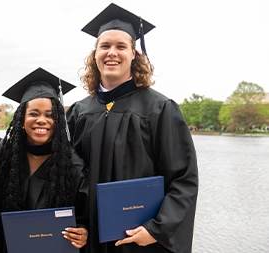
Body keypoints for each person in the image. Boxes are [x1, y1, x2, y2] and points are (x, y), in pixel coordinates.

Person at [66, 3, 199, 253]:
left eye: (121, 46)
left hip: (141, 239)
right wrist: (77, 224)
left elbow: (183, 178)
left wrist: (158, 229)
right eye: (104, 46)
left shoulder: (160, 109)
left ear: (134, 54)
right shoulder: (78, 113)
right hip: (92, 240)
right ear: (95, 54)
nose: (112, 53)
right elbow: (69, 176)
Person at [0, 67, 89, 252]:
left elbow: (84, 216)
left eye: (50, 115)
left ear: (58, 120)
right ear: (22, 118)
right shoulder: (2, 154)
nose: (42, 120)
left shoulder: (71, 165)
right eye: (34, 114)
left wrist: (84, 232)